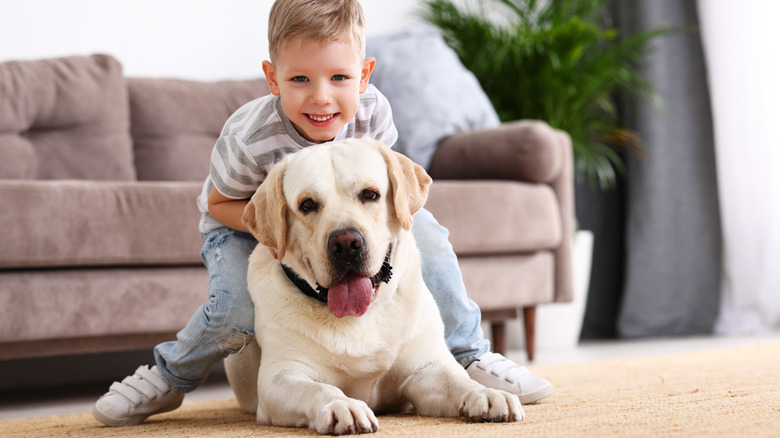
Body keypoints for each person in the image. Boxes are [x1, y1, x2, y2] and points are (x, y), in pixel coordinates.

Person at [92, 0, 552, 427]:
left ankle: (469, 354)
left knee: (428, 236)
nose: (321, 98)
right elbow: (220, 204)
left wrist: (457, 390)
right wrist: (277, 233)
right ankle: (170, 376)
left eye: (338, 78)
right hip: (240, 219)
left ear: (363, 75)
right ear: (274, 80)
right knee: (232, 307)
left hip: (300, 216)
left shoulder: (373, 117)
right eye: (300, 80)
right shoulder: (250, 137)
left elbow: (393, 190)